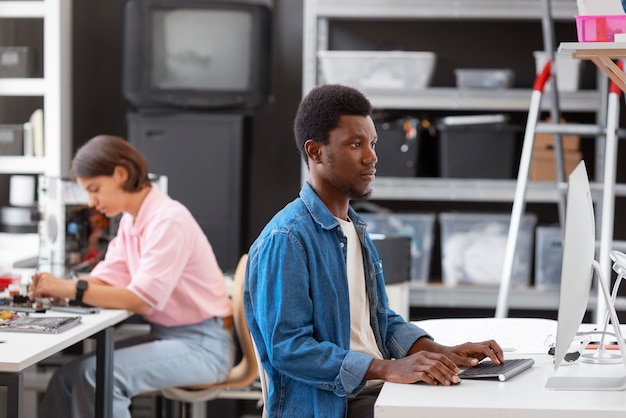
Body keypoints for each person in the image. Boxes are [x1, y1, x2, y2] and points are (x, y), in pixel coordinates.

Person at [243, 84, 506, 418]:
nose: (372, 156)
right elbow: (289, 350)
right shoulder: (286, 238)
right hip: (335, 406)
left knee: (478, 399)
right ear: (316, 151)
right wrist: (385, 369)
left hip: (376, 392)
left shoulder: (354, 228)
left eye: (372, 143)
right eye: (356, 144)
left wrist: (441, 353)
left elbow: (378, 321)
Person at [29, 135, 235, 418]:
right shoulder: (132, 221)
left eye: (95, 189)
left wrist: (69, 289)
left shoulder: (168, 220)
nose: (91, 201)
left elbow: (141, 301)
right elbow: (106, 278)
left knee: (95, 376)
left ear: (121, 174)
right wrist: (55, 287)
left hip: (203, 346)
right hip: (169, 337)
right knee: (65, 380)